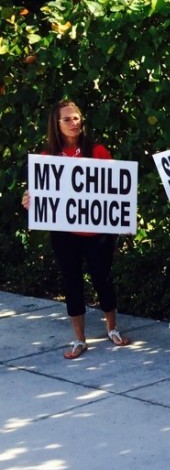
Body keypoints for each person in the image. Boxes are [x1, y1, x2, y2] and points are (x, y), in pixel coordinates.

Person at [21, 101, 131, 359]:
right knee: (71, 281)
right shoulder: (47, 158)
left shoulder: (98, 151)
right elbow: (41, 196)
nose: (74, 123)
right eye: (68, 119)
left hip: (97, 232)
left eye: (77, 118)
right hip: (64, 233)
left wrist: (123, 215)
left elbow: (115, 189)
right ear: (56, 125)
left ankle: (112, 329)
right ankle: (79, 340)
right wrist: (30, 201)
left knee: (102, 277)